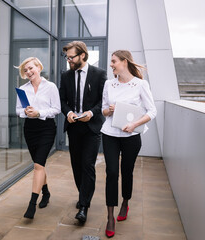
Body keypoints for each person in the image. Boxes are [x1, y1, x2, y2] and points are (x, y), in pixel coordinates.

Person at [101, 50, 157, 238]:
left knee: (126, 171)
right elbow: (103, 110)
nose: (111, 64)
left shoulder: (140, 84)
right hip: (110, 134)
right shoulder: (109, 84)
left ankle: (125, 202)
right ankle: (110, 216)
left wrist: (134, 124)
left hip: (131, 136)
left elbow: (152, 111)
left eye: (114, 61)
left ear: (124, 62)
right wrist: (108, 110)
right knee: (111, 172)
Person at [59, 41, 107, 224]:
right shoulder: (65, 76)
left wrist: (91, 113)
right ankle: (83, 194)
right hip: (73, 127)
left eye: (71, 57)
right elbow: (62, 100)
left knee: (88, 165)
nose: (69, 60)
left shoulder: (99, 74)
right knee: (76, 165)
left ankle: (84, 205)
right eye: (67, 57)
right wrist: (69, 112)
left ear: (83, 56)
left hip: (92, 127)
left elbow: (103, 101)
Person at [15, 57, 61, 219]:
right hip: (30, 129)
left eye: (30, 68)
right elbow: (18, 110)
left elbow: (56, 109)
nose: (28, 72)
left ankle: (32, 204)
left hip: (47, 128)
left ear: (39, 67)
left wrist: (39, 112)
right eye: (25, 70)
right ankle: (46, 192)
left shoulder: (50, 87)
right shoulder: (23, 88)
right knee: (38, 165)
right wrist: (26, 113)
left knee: (38, 165)